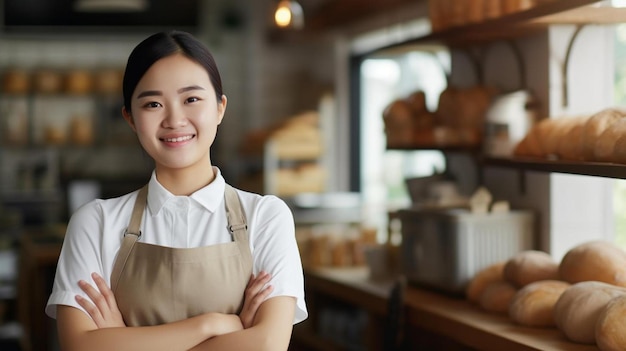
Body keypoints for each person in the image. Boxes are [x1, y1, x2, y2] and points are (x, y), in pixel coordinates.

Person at [45, 30, 307, 351]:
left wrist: (123, 341)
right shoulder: (94, 222)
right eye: (153, 103)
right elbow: (79, 347)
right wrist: (211, 325)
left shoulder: (266, 217)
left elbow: (267, 345)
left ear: (220, 107)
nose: (174, 119)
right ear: (130, 117)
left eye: (191, 99)